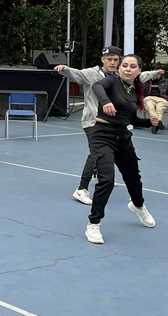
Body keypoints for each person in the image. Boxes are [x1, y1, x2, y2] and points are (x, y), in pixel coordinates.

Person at [55, 46, 160, 205]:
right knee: (95, 153)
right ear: (102, 59)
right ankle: (81, 189)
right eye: (109, 59)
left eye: (115, 60)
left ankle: (101, 174)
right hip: (93, 121)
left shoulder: (120, 76)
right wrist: (65, 69)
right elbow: (76, 74)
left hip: (114, 124)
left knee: (112, 152)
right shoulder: (91, 74)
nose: (112, 62)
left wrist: (154, 73)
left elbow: (140, 75)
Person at [86, 54, 157, 244]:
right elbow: (96, 86)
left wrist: (149, 122)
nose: (127, 69)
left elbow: (131, 119)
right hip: (102, 135)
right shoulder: (111, 82)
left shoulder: (135, 91)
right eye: (124, 65)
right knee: (107, 180)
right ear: (119, 68)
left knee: (133, 177)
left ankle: (138, 206)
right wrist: (106, 102)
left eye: (132, 66)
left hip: (123, 137)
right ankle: (93, 223)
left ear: (139, 70)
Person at [142, 65, 168, 134]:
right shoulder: (145, 81)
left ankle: (155, 124)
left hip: (163, 99)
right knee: (150, 106)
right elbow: (141, 93)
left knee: (159, 108)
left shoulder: (167, 82)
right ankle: (158, 122)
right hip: (149, 98)